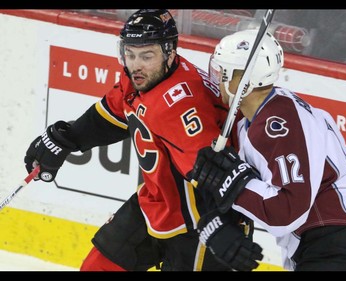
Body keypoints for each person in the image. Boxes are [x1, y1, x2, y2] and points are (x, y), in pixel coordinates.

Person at [23, 9, 263, 271]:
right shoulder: (138, 76)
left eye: (147, 55)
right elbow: (111, 115)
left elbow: (213, 172)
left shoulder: (181, 105)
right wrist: (66, 139)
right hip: (157, 203)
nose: (136, 64)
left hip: (199, 224)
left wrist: (218, 225)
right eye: (130, 53)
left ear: (170, 52)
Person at [189, 29, 346, 271]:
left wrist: (235, 185)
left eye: (222, 72)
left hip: (342, 241)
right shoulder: (258, 119)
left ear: (245, 78)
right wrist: (218, 215)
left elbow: (288, 210)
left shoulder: (277, 123)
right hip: (337, 242)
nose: (217, 79)